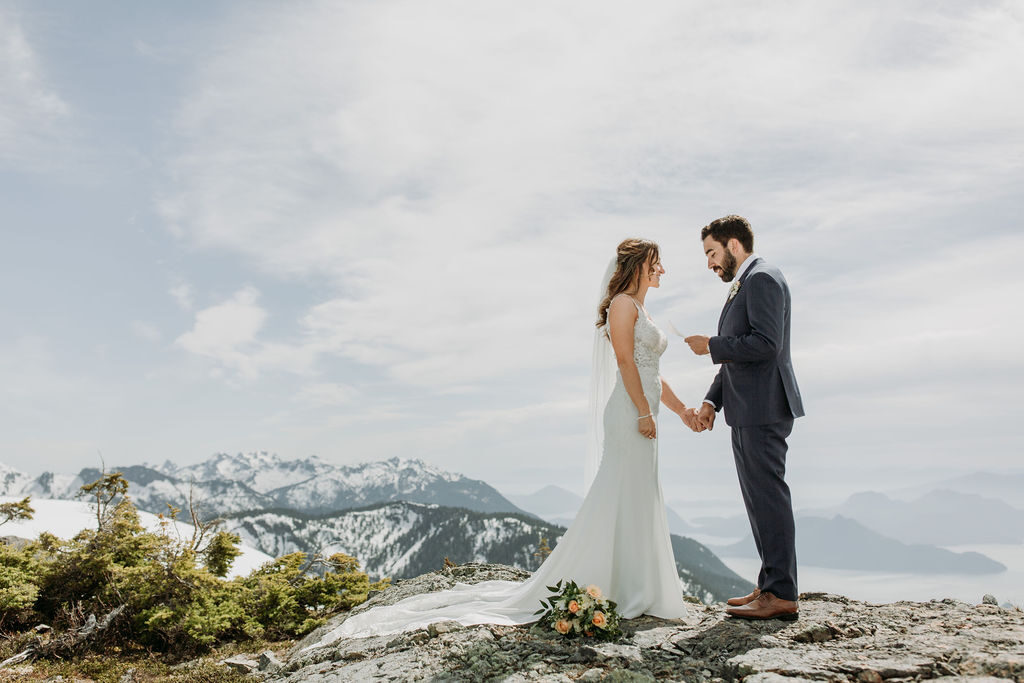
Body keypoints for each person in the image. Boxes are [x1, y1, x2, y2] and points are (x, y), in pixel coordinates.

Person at [307, 239, 699, 645]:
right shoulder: (622, 305)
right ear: (638, 266)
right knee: (620, 492)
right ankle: (617, 583)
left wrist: (682, 410)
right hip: (630, 416)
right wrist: (641, 411)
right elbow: (624, 362)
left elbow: (652, 372)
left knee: (639, 494)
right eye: (657, 263)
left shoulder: (642, 310)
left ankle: (638, 584)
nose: (662, 270)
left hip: (644, 414)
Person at [683, 215, 805, 621]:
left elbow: (766, 345)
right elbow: (738, 357)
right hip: (747, 409)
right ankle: (770, 585)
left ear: (734, 246)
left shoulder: (762, 279)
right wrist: (711, 402)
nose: (709, 264)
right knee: (758, 500)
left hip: (764, 408)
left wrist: (711, 344)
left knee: (768, 498)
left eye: (712, 253)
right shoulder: (746, 283)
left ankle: (782, 593)